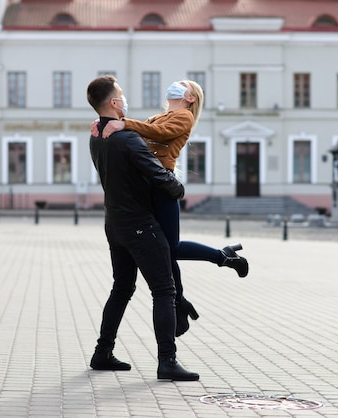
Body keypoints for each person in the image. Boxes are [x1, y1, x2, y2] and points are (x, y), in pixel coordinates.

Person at [94, 80, 248, 337]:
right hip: (148, 185)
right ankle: (179, 302)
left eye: (183, 85)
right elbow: (134, 139)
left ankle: (223, 256)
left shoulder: (184, 117)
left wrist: (124, 124)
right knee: (164, 251)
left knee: (171, 247)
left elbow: (159, 133)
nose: (176, 85)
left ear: (190, 98)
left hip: (163, 185)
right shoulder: (159, 115)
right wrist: (104, 127)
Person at [86, 74, 199, 381]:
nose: (125, 100)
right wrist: (178, 189)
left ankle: (102, 352)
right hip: (140, 225)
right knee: (164, 290)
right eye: (121, 95)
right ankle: (167, 361)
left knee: (121, 288)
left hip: (114, 224)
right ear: (113, 102)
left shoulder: (97, 135)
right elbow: (156, 175)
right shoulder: (127, 138)